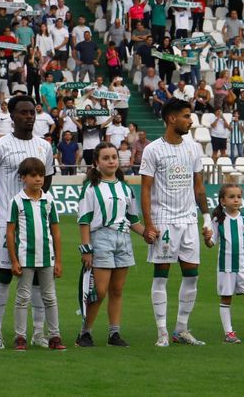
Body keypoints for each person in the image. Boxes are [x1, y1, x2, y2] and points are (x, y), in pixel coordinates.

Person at [0, 96, 54, 349]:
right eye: (23, 112)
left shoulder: (44, 146)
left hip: (37, 226)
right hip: (8, 226)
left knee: (37, 279)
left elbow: (47, 181)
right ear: (12, 116)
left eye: (32, 112)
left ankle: (38, 333)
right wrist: (5, 210)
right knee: (4, 276)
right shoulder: (0, 146)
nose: (29, 116)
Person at [140, 98, 213, 346]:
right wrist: (149, 224)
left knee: (191, 275)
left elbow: (199, 187)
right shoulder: (153, 150)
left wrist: (206, 219)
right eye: (186, 116)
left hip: (189, 220)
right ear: (172, 118)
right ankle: (162, 331)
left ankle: (180, 329)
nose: (190, 121)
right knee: (161, 276)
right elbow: (146, 190)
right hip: (164, 222)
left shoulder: (193, 148)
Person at [76, 143, 146, 347]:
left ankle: (114, 334)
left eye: (114, 157)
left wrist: (148, 234)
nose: (111, 161)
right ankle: (85, 333)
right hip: (101, 239)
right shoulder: (90, 187)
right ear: (97, 162)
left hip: (123, 239)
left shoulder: (125, 187)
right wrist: (86, 249)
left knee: (117, 290)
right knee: (100, 290)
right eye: (106, 158)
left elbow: (133, 220)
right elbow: (84, 220)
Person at [7, 157, 62, 351]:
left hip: (47, 257)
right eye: (33, 175)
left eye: (41, 175)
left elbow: (55, 232)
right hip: (25, 258)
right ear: (23, 178)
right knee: (23, 298)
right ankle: (20, 337)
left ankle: (55, 335)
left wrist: (59, 260)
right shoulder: (17, 201)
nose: (38, 179)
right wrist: (13, 260)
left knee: (50, 297)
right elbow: (10, 232)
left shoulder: (49, 200)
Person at [211, 183, 244, 344]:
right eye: (231, 197)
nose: (236, 200)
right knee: (226, 299)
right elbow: (211, 242)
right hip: (225, 268)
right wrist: (207, 237)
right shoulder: (218, 220)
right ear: (222, 201)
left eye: (239, 197)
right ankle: (229, 333)